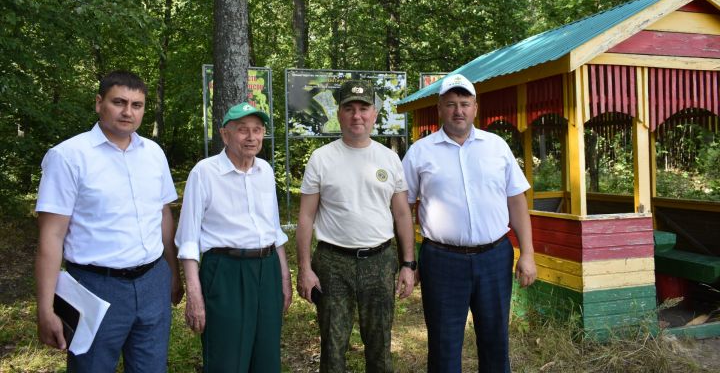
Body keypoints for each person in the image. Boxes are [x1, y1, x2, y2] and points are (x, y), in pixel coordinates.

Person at [34, 70, 183, 372]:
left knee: (152, 368)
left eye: (137, 105)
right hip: (94, 287)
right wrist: (45, 306)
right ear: (99, 103)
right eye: (119, 102)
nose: (128, 112)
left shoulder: (153, 154)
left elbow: (163, 214)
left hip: (153, 280)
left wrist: (173, 273)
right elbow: (50, 237)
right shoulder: (68, 157)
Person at [401, 73, 537, 373]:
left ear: (476, 107)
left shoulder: (496, 146)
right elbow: (403, 208)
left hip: (494, 256)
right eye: (451, 104)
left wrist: (527, 253)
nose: (458, 111)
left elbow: (516, 201)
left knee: (495, 341)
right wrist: (408, 262)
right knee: (444, 345)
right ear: (439, 108)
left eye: (465, 103)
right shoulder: (419, 153)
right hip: (442, 260)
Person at [296, 79, 417, 373]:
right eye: (349, 108)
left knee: (379, 348)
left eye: (363, 108)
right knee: (332, 350)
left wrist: (408, 264)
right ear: (339, 114)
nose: (357, 115)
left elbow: (402, 215)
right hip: (333, 264)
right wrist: (305, 267)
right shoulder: (321, 159)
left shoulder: (389, 159)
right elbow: (305, 217)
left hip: (380, 262)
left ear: (374, 114)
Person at [175, 102, 292, 372]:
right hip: (225, 272)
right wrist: (194, 294)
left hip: (267, 269)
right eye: (242, 130)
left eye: (257, 130)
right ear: (225, 135)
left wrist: (284, 279)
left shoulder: (265, 171)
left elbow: (274, 230)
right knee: (226, 360)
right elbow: (188, 239)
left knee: (266, 358)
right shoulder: (204, 172)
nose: (251, 137)